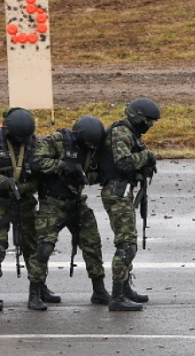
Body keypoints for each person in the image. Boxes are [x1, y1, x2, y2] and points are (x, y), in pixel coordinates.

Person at [0, 107, 60, 311]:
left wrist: (26, 187)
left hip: (25, 201)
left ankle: (38, 289)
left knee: (34, 247)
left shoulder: (34, 143)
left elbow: (40, 174)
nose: (22, 139)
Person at [26, 116, 110, 310]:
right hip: (52, 202)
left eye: (93, 144)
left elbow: (94, 174)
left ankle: (99, 290)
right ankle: (35, 293)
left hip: (76, 202)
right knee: (44, 248)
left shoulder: (93, 149)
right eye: (88, 142)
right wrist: (63, 166)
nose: (91, 146)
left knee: (92, 244)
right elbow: (37, 162)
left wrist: (89, 176)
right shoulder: (58, 141)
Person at [99, 98, 160, 311]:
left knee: (128, 241)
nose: (149, 126)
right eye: (148, 122)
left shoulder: (129, 133)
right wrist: (145, 156)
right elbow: (123, 163)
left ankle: (124, 288)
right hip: (116, 191)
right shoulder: (121, 133)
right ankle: (117, 296)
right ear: (138, 117)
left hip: (122, 190)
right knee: (126, 245)